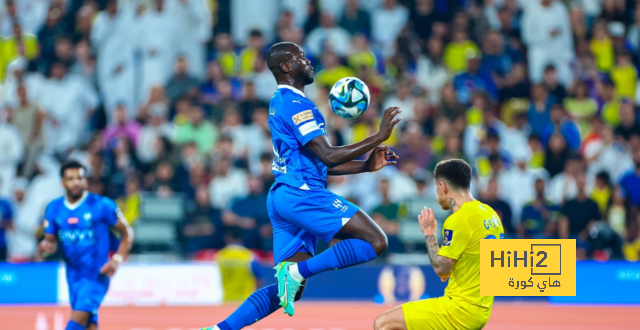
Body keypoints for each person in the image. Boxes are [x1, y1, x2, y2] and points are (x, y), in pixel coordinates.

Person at [201, 42, 401, 330]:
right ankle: (296, 271)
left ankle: (220, 329)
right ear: (286, 67)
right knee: (376, 241)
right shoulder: (296, 104)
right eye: (300, 58)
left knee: (289, 291)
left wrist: (365, 166)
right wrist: (379, 136)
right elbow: (328, 155)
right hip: (301, 195)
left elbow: (321, 163)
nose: (308, 62)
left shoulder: (279, 101)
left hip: (285, 194)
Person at [374, 159, 502, 330]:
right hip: (482, 307)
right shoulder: (490, 214)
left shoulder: (458, 220)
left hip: (459, 310)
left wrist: (429, 233)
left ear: (443, 187)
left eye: (435, 187)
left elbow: (442, 269)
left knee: (383, 323)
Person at [37, 161, 133, 330]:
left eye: (80, 178)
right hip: (73, 276)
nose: (76, 182)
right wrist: (45, 248)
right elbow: (49, 242)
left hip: (96, 275)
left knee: (74, 325)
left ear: (86, 181)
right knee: (88, 324)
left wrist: (116, 259)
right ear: (62, 182)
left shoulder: (101, 205)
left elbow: (127, 233)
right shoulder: (54, 208)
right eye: (70, 178)